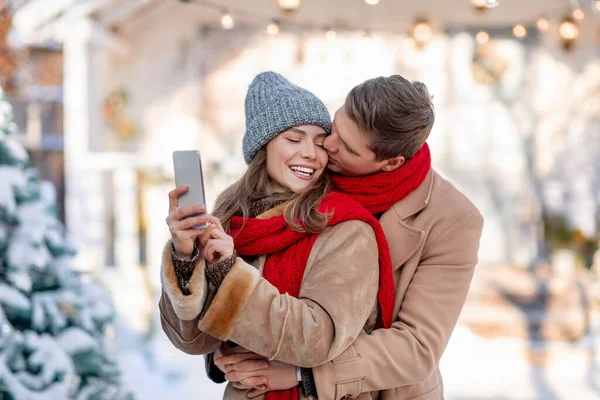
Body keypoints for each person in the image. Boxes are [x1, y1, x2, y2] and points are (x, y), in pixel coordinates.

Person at [212, 75, 484, 400]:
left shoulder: (453, 219)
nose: (328, 146)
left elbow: (417, 347)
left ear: (390, 162)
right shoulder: (314, 169)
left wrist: (304, 373)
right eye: (335, 127)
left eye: (348, 146)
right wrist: (229, 346)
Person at [159, 72, 399, 399]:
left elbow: (319, 338)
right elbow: (194, 341)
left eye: (319, 141)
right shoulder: (233, 220)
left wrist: (229, 274)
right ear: (264, 146)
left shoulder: (344, 225)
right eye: (294, 138)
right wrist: (185, 258)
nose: (311, 154)